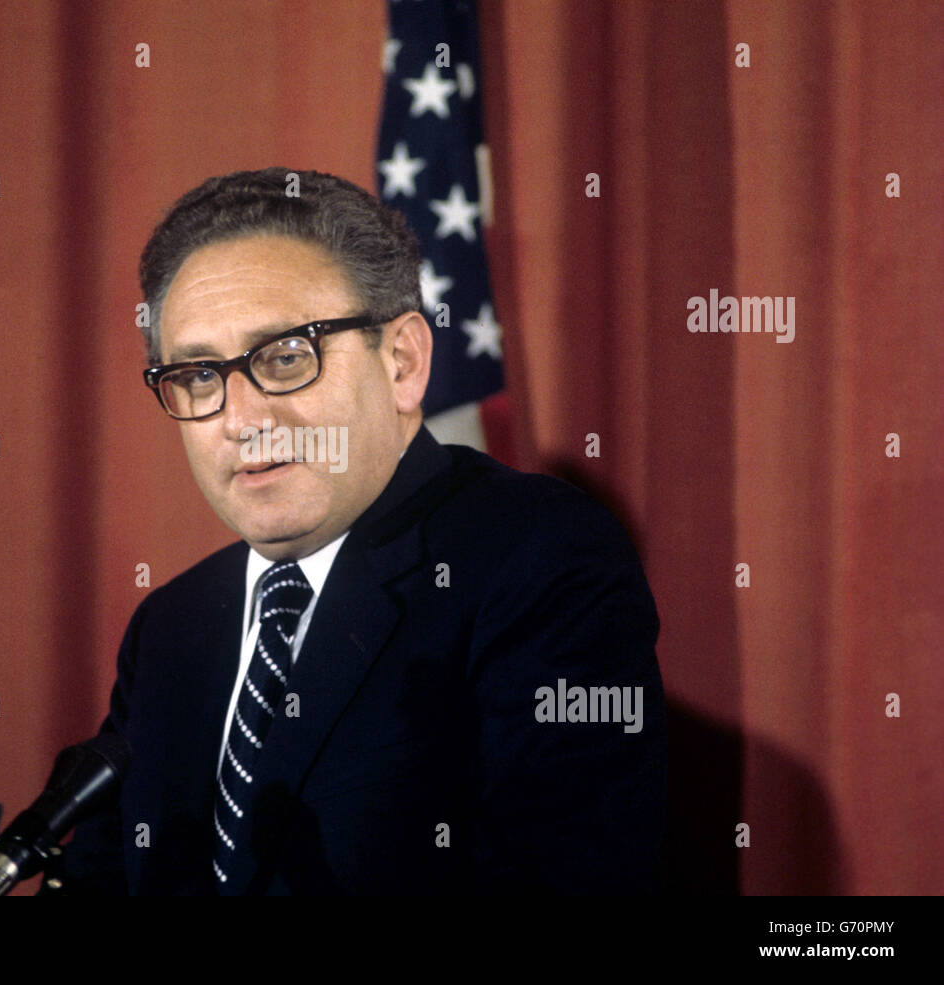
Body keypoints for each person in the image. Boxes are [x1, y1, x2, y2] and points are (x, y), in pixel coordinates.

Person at [55, 167, 666, 894]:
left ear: (403, 361)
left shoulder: (537, 559)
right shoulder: (171, 627)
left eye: (284, 357)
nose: (240, 419)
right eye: (197, 374)